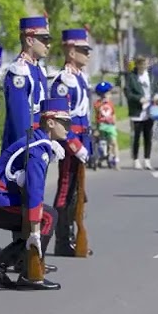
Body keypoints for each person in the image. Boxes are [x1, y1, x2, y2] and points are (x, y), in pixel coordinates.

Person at [0, 97, 73, 291]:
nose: (69, 127)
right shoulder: (38, 150)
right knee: (48, 217)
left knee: (37, 220)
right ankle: (30, 274)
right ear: (50, 122)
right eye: (65, 122)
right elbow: (35, 192)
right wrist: (35, 232)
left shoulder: (39, 142)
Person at [46, 28, 92, 257]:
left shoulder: (79, 78)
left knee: (77, 193)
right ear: (71, 52)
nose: (88, 55)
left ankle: (72, 235)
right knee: (65, 190)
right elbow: (59, 118)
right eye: (83, 50)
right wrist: (75, 145)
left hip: (81, 141)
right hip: (69, 144)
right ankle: (63, 239)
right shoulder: (64, 81)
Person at [1, 16, 52, 153]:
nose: (48, 45)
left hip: (40, 141)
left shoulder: (38, 70)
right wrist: (28, 148)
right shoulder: (19, 71)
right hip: (25, 146)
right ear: (29, 40)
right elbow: (19, 119)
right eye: (44, 40)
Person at [124, 56, 158, 169]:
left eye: (146, 64)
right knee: (136, 136)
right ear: (137, 65)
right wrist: (139, 98)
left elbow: (154, 89)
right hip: (137, 111)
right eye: (142, 64)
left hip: (150, 109)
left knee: (148, 136)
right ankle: (135, 159)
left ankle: (147, 160)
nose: (144, 66)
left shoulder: (150, 76)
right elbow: (128, 93)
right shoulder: (132, 77)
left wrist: (156, 95)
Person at [93, 81, 119, 168]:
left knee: (113, 142)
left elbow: (113, 114)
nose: (108, 95)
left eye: (109, 93)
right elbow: (96, 116)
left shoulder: (110, 104)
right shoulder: (97, 104)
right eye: (107, 94)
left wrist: (115, 123)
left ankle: (116, 158)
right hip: (102, 126)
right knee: (102, 143)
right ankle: (102, 156)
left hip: (110, 126)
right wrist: (96, 128)